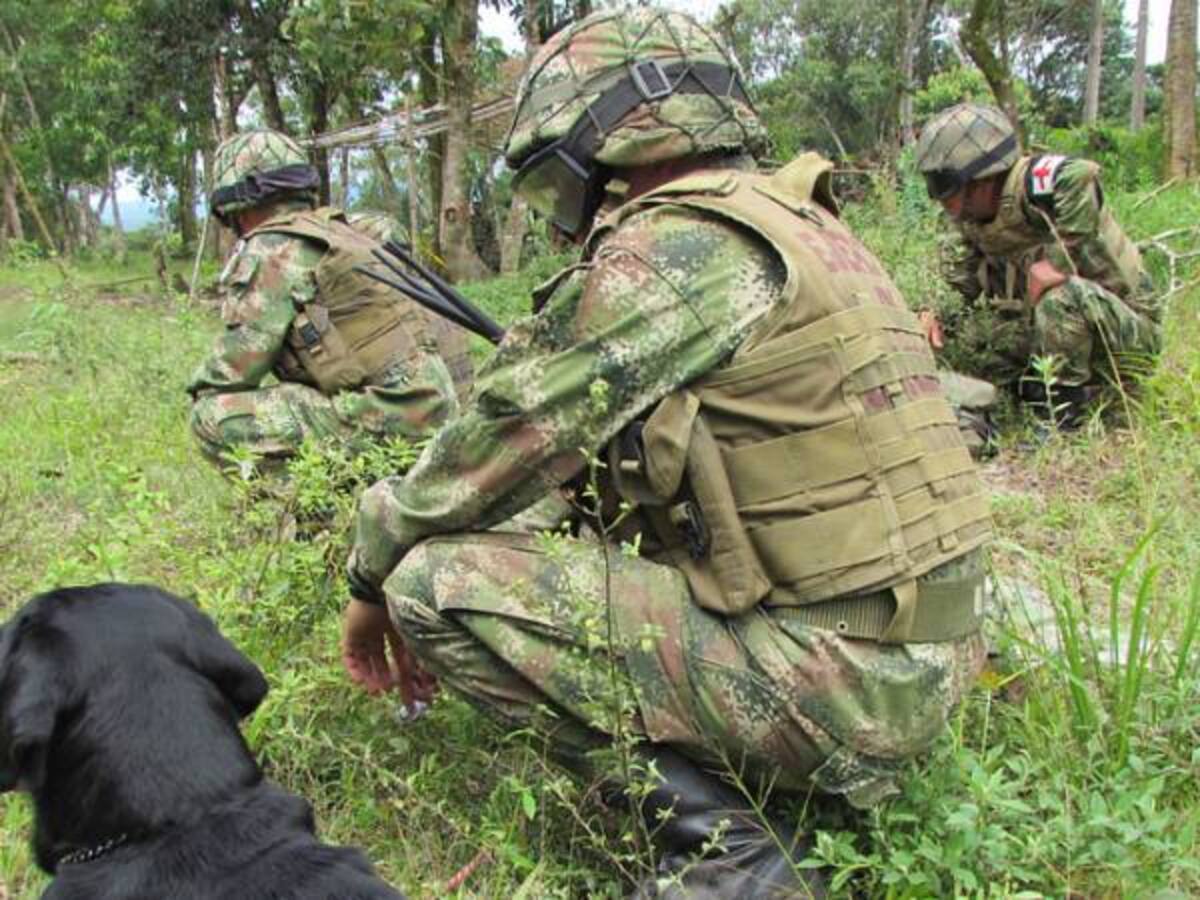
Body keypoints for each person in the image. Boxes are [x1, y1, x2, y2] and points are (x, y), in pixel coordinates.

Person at [342, 10, 991, 897]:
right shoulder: (803, 222)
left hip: (852, 686)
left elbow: (486, 447)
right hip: (936, 652)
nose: (563, 221)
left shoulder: (673, 248)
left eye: (556, 183)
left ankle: (738, 846)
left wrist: (368, 576)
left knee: (433, 585)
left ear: (609, 142)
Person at [187, 130, 473, 471]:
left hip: (399, 421)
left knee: (210, 416)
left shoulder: (274, 248)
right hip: (450, 416)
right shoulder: (352, 233)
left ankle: (322, 502)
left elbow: (230, 373)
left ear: (235, 209)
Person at [915, 103, 1160, 428]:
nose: (938, 199)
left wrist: (1060, 262)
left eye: (943, 186)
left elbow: (1080, 173)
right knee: (971, 336)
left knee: (1060, 297)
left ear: (981, 179)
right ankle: (1032, 389)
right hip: (1057, 333)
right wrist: (934, 314)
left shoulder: (1032, 182)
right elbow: (962, 284)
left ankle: (1062, 420)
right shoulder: (971, 219)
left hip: (1127, 332)